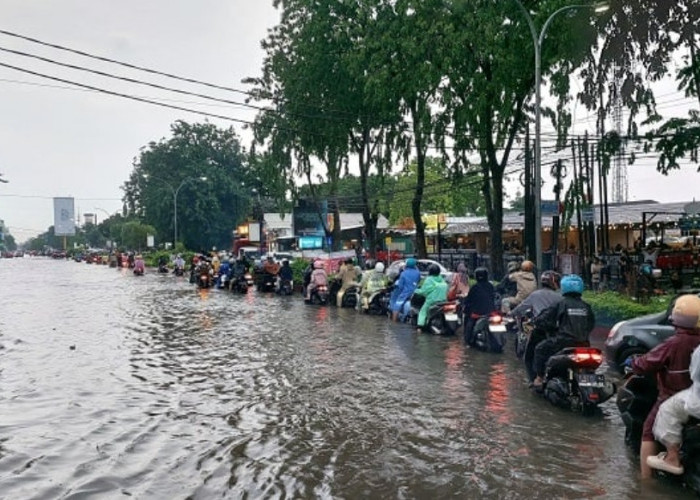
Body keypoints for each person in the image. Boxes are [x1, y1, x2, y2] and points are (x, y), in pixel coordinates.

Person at [629, 294, 700, 478]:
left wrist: (634, 362)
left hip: (673, 395)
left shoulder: (675, 342)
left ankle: (646, 481)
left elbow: (646, 363)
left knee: (648, 431)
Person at [532, 274, 594, 389]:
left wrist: (539, 323)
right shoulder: (586, 306)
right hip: (584, 344)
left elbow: (543, 319)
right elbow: (590, 325)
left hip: (563, 342)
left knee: (540, 348)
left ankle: (539, 378)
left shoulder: (561, 304)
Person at [648, 345, 700, 476]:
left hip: (697, 400)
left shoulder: (677, 342)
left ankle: (672, 457)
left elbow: (695, 374)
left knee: (667, 409)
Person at [511, 270, 563, 383]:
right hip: (557, 331)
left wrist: (511, 313)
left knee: (528, 357)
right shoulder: (560, 298)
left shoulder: (535, 295)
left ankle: (533, 380)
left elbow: (520, 309)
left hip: (539, 329)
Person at [414, 264, 448, 332]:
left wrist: (416, 291)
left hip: (432, 301)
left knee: (422, 312)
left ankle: (420, 327)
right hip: (443, 301)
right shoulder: (441, 278)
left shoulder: (429, 280)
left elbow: (424, 291)